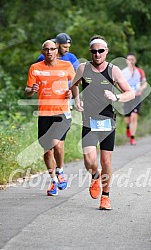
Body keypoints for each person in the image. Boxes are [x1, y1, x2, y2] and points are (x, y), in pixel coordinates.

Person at [71, 35, 135, 210]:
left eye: (100, 51)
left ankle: (105, 197)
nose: (97, 54)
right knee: (89, 159)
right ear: (90, 52)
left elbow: (130, 92)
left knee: (106, 161)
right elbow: (73, 85)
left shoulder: (113, 70)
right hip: (89, 120)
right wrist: (77, 100)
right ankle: (95, 176)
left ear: (106, 51)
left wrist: (116, 96)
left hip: (107, 121)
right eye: (94, 51)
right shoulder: (83, 68)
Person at [25, 40, 75, 196]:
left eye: (52, 49)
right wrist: (31, 90)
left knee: (58, 146)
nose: (49, 52)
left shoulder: (66, 66)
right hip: (44, 113)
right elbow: (27, 90)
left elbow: (74, 85)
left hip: (62, 112)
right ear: (42, 52)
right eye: (46, 50)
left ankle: (60, 170)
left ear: (56, 51)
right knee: (47, 151)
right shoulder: (35, 68)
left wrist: (71, 93)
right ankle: (53, 181)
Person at [37, 33, 79, 110]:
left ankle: (67, 106)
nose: (67, 50)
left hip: (66, 90)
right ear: (57, 45)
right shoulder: (44, 57)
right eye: (64, 47)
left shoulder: (71, 57)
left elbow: (78, 73)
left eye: (68, 47)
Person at [122, 53, 147, 145]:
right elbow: (118, 83)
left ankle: (132, 138)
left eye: (132, 59)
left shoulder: (140, 71)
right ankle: (128, 128)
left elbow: (144, 83)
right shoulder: (123, 72)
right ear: (126, 61)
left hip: (137, 96)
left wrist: (141, 88)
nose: (131, 61)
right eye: (129, 59)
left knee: (134, 116)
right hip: (127, 96)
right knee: (127, 118)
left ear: (135, 61)